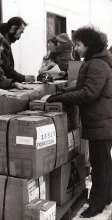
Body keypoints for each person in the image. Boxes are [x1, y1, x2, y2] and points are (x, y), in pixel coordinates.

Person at [45, 26, 112, 217]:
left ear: (89, 45)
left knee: (100, 165)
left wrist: (62, 98)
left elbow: (89, 93)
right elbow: (83, 85)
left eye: (79, 45)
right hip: (100, 121)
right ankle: (106, 196)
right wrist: (63, 92)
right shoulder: (95, 61)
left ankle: (97, 204)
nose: (77, 48)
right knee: (104, 163)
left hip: (101, 122)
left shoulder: (98, 64)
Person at [0, 16, 35, 83]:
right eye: (20, 32)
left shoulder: (5, 42)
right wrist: (23, 78)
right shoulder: (2, 43)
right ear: (13, 28)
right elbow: (7, 70)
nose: (19, 37)